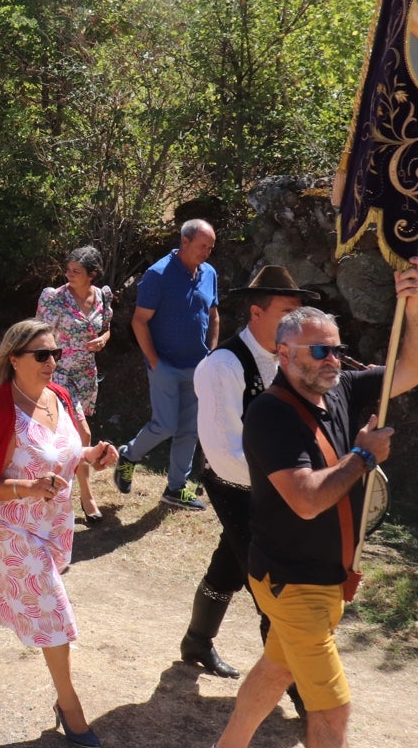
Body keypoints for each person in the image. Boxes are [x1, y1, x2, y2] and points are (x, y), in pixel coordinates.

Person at [214, 279, 418, 748]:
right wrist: (363, 456)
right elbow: (306, 500)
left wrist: (411, 307)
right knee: (333, 709)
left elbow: (409, 368)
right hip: (294, 584)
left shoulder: (340, 387)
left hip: (324, 577)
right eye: (320, 351)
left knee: (276, 670)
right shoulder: (269, 415)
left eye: (337, 350)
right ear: (284, 354)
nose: (333, 360)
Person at [0, 320, 117, 746]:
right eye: (42, 354)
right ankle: (70, 707)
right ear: (14, 359)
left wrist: (93, 456)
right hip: (9, 526)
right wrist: (30, 487)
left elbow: (69, 452)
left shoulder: (58, 396)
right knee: (52, 609)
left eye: (55, 353)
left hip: (51, 523)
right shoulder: (1, 411)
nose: (52, 361)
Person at [180, 266, 313, 685]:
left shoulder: (290, 359)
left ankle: (196, 642)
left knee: (231, 562)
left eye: (299, 313)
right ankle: (297, 691)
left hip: (274, 487)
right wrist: (288, 482)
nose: (297, 323)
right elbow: (223, 452)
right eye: (287, 313)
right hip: (234, 485)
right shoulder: (222, 366)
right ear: (256, 312)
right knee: (271, 586)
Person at [113, 219, 219, 510]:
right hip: (166, 365)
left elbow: (213, 315)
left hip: (198, 366)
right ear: (184, 242)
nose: (207, 252)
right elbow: (139, 320)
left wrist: (211, 354)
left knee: (189, 429)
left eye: (210, 247)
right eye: (202, 246)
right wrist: (154, 361)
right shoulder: (157, 274)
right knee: (166, 425)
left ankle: (176, 488)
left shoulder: (209, 273)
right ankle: (130, 455)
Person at [36, 245, 113, 523]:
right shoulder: (53, 298)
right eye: (68, 269)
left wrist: (104, 340)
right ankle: (86, 495)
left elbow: (106, 329)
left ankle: (52, 491)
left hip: (85, 375)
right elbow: (38, 335)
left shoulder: (103, 296)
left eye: (76, 271)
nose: (69, 275)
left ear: (92, 274)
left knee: (65, 439)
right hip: (58, 375)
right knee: (83, 435)